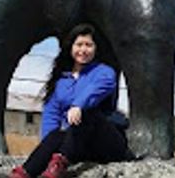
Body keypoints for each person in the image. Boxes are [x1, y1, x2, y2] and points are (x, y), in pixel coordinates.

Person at [10, 23, 131, 178]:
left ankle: (59, 164)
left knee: (88, 113)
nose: (83, 50)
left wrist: (78, 105)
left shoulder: (105, 72)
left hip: (107, 142)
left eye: (89, 45)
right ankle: (24, 173)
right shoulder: (61, 80)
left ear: (96, 48)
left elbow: (96, 90)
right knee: (55, 135)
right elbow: (51, 115)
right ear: (71, 47)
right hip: (78, 145)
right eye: (79, 44)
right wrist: (47, 146)